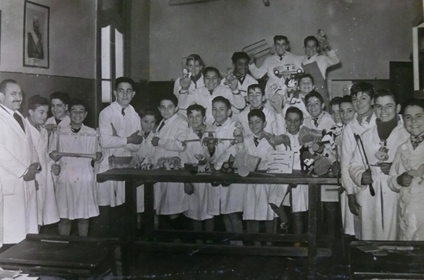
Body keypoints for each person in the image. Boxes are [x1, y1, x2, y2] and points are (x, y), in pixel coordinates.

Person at [349, 89, 409, 240]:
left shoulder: (407, 134)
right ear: (374, 108)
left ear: (398, 108)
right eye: (378, 106)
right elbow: (354, 164)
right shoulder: (366, 136)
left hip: (396, 196)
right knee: (371, 239)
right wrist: (362, 176)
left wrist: (395, 169)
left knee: (396, 239)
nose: (383, 111)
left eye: (389, 106)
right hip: (371, 196)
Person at [216, 109, 277, 243]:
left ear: (265, 123)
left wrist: (258, 164)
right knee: (251, 215)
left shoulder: (272, 140)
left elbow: (275, 161)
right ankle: (255, 246)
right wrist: (239, 145)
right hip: (249, 184)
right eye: (251, 123)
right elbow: (236, 157)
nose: (254, 125)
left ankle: (270, 245)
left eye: (257, 122)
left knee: (269, 215)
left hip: (266, 183)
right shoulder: (244, 140)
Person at [96, 77, 142, 237]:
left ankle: (122, 246)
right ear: (115, 92)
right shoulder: (106, 113)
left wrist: (118, 138)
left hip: (126, 163)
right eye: (121, 90)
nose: (125, 94)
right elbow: (105, 141)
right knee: (105, 207)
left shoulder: (135, 115)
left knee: (123, 206)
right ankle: (104, 248)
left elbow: (138, 145)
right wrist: (128, 139)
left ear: (133, 94)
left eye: (128, 91)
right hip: (107, 164)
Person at [49, 99, 101, 236]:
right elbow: (52, 154)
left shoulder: (92, 133)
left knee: (83, 217)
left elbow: (99, 154)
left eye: (81, 111)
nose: (77, 114)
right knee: (64, 217)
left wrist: (99, 156)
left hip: (85, 176)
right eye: (74, 111)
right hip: (66, 176)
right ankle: (64, 246)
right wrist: (54, 156)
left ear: (86, 114)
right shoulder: (59, 132)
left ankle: (83, 247)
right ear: (68, 113)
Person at [0, 79, 39, 246]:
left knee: (25, 231)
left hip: (26, 180)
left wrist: (35, 165)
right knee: (10, 233)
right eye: (13, 94)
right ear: (1, 96)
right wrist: (23, 171)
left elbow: (30, 145)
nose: (19, 97)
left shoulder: (20, 118)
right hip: (9, 180)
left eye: (20, 93)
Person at [205, 96, 245, 244]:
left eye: (221, 109)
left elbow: (236, 150)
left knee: (233, 213)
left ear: (229, 111)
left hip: (230, 176)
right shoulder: (210, 129)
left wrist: (219, 167)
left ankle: (240, 244)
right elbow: (207, 155)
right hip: (216, 176)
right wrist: (210, 150)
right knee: (223, 212)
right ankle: (231, 244)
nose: (218, 112)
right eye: (214, 109)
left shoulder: (235, 127)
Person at [340, 82, 376, 237]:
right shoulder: (350, 128)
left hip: (382, 186)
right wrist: (350, 194)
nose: (359, 103)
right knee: (363, 234)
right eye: (355, 99)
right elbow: (345, 163)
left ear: (372, 101)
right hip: (358, 186)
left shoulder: (381, 121)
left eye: (364, 98)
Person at [303, 90, 338, 236]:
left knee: (330, 204)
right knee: (315, 204)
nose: (313, 107)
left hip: (330, 165)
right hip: (313, 166)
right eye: (309, 104)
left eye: (316, 103)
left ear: (323, 105)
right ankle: (317, 240)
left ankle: (331, 239)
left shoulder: (331, 120)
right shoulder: (305, 121)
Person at [388, 98, 424, 241]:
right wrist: (398, 180)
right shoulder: (402, 148)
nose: (413, 121)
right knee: (409, 252)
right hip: (407, 209)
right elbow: (391, 179)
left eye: (419, 116)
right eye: (408, 117)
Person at [152, 93, 189, 228]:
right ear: (158, 108)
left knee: (173, 209)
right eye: (163, 107)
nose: (166, 110)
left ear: (176, 108)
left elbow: (181, 145)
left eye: (170, 107)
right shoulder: (163, 122)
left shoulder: (181, 122)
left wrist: (160, 141)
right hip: (161, 169)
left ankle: (177, 242)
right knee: (162, 206)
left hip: (174, 170)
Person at [26, 95, 59, 227]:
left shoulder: (44, 131)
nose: (45, 116)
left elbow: (44, 156)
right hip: (31, 178)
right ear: (30, 112)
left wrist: (53, 165)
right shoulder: (24, 129)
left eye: (46, 112)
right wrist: (31, 179)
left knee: (39, 217)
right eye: (41, 112)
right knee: (30, 218)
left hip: (44, 178)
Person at [181, 104, 214, 233]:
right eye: (191, 116)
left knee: (209, 211)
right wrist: (186, 181)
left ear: (204, 117)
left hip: (209, 176)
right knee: (194, 211)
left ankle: (209, 241)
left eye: (198, 116)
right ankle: (198, 243)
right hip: (192, 175)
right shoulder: (184, 135)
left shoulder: (211, 132)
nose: (194, 119)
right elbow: (183, 159)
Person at [249, 36, 303, 108]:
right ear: (274, 46)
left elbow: (300, 74)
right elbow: (258, 75)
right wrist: (251, 64)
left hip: (289, 92)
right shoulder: (268, 60)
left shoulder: (294, 59)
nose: (280, 47)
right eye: (278, 44)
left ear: (287, 46)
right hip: (272, 92)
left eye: (283, 44)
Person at [300, 35, 340, 109]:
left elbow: (336, 60)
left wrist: (327, 47)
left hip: (320, 95)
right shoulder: (301, 60)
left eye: (313, 46)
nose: (311, 49)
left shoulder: (321, 59)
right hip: (305, 95)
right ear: (304, 48)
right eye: (308, 46)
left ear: (317, 48)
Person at [132, 108, 157, 217]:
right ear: (140, 120)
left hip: (153, 176)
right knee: (138, 206)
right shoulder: (135, 135)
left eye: (152, 122)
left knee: (153, 208)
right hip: (138, 176)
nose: (149, 125)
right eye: (146, 121)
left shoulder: (157, 136)